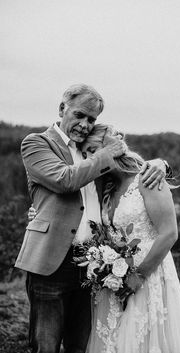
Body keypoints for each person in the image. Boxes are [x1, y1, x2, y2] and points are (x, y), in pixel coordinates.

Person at [15, 84, 169, 353]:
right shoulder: (37, 143)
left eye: (92, 119)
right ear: (62, 108)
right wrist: (105, 153)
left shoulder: (91, 153)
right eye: (79, 115)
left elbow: (128, 174)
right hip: (50, 261)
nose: (85, 124)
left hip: (91, 265)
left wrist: (160, 163)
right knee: (46, 345)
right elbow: (65, 181)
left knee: (83, 344)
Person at [78, 124, 180, 353]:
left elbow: (169, 233)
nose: (90, 159)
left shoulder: (147, 178)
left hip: (149, 276)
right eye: (84, 154)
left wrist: (138, 277)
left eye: (93, 150)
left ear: (112, 147)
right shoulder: (105, 187)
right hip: (115, 281)